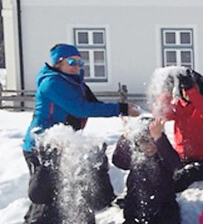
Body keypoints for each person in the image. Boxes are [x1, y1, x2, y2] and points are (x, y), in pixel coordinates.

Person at [92, 117, 185, 224]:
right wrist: (126, 137)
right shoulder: (135, 159)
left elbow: (175, 164)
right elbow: (118, 161)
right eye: (143, 142)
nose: (149, 147)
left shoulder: (163, 157)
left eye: (152, 141)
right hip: (138, 209)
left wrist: (160, 139)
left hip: (164, 206)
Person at [22, 43, 137, 173]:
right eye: (71, 62)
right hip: (41, 144)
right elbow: (80, 109)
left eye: (80, 62)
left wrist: (124, 112)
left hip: (63, 143)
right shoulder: (52, 83)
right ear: (58, 63)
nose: (76, 66)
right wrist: (121, 109)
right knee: (46, 189)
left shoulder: (75, 82)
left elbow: (95, 104)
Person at [163, 69, 203, 193]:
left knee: (189, 173)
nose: (188, 92)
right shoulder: (177, 107)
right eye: (185, 88)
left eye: (193, 88)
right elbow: (162, 114)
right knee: (160, 171)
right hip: (180, 160)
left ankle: (167, 192)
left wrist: (191, 91)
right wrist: (167, 91)